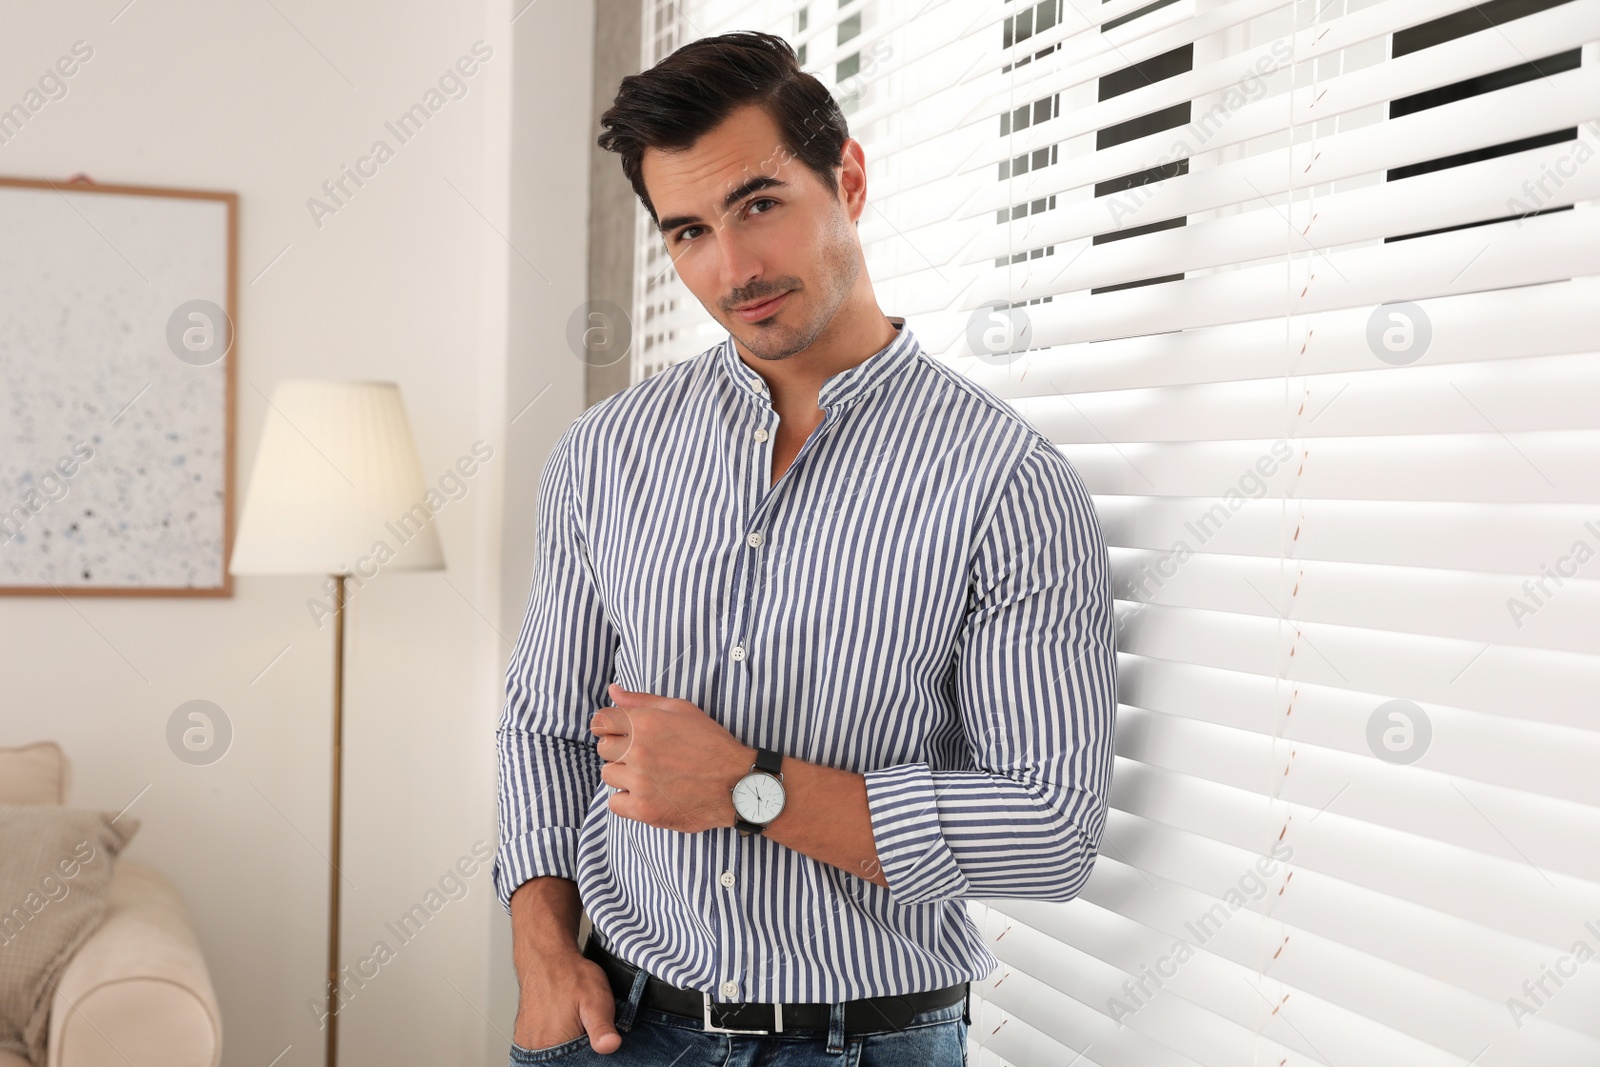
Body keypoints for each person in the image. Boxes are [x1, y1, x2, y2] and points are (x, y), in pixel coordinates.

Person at [493, 29, 1117, 1066]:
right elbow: (545, 728)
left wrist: (749, 784)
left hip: (865, 1042)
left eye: (759, 204)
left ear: (849, 178)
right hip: (622, 1029)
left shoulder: (1008, 483)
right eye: (688, 231)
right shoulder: (603, 455)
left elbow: (1049, 827)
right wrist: (541, 952)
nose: (731, 268)